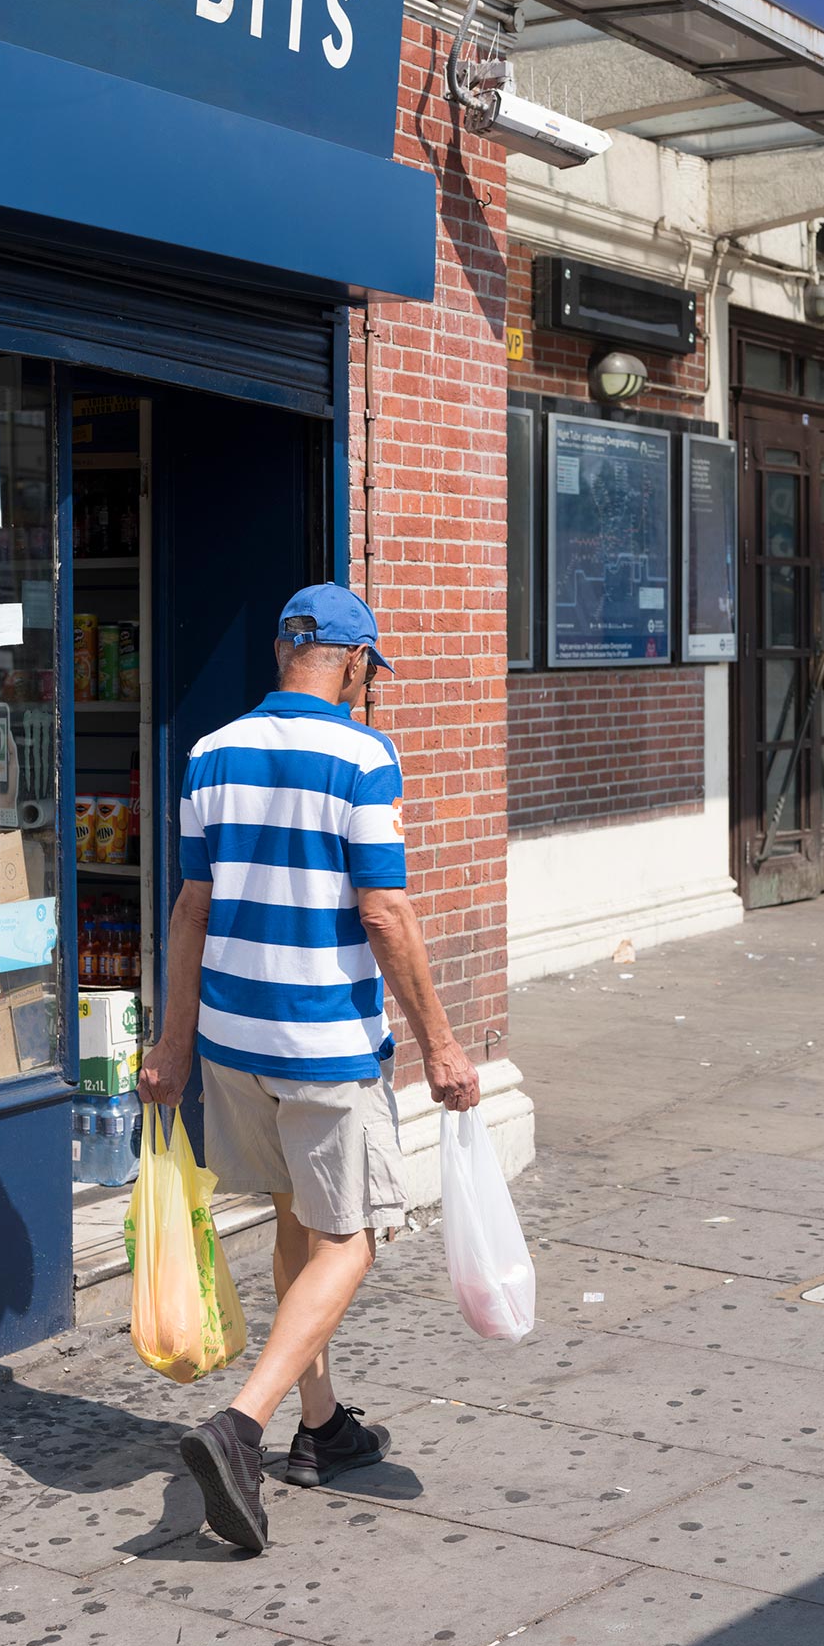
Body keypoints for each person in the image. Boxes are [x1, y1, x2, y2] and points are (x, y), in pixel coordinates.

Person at [138, 582, 480, 1555]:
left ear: (284, 652)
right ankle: (240, 1427)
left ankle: (322, 1426)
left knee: (298, 1215)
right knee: (354, 1236)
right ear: (355, 661)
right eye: (372, 669)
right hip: (324, 1041)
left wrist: (172, 1043)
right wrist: (442, 1044)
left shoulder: (212, 751)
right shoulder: (362, 756)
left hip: (233, 1039)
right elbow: (386, 910)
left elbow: (191, 908)